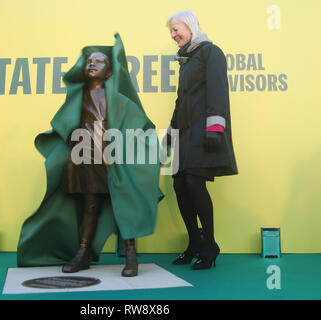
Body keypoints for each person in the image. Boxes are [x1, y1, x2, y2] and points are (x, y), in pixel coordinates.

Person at [17, 34, 162, 277]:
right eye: (89, 61)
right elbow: (65, 125)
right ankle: (82, 253)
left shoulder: (119, 100)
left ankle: (131, 254)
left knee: (124, 203)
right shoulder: (76, 97)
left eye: (99, 61)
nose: (92, 64)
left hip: (114, 158)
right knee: (89, 204)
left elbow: (138, 127)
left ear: (109, 73)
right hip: (85, 156)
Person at [165, 10, 238, 270]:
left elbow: (218, 91)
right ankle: (194, 243)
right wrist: (170, 136)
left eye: (176, 29)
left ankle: (210, 246)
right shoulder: (186, 61)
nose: (173, 35)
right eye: (171, 31)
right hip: (185, 135)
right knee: (180, 186)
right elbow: (180, 102)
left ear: (190, 26)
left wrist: (215, 129)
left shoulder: (210, 52)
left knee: (195, 183)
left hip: (203, 131)